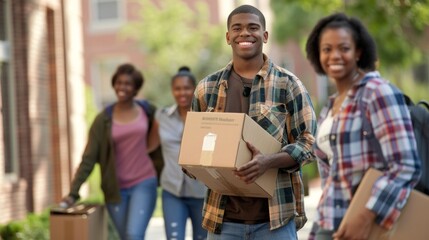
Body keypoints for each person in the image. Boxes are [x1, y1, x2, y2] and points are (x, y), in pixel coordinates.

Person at [191, 5, 317, 240]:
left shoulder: (288, 85)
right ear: (228, 37)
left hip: (275, 220)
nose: (244, 33)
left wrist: (268, 161)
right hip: (223, 220)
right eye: (237, 28)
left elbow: (309, 143)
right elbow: (194, 144)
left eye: (253, 28)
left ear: (265, 36)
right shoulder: (206, 88)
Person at [305, 13, 421, 240]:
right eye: (327, 49)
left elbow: (406, 165)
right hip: (330, 223)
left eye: (344, 48)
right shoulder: (329, 107)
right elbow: (331, 177)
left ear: (358, 52)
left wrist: (365, 217)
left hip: (369, 226)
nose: (334, 56)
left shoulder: (377, 93)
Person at [60, 63, 159, 240]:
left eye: (128, 83)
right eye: (119, 83)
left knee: (134, 235)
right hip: (115, 189)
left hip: (144, 182)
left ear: (135, 88)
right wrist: (73, 193)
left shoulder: (148, 111)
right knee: (126, 237)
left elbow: (168, 131)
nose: (122, 87)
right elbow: (88, 158)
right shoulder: (103, 119)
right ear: (114, 85)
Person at [155, 66, 207, 240]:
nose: (182, 92)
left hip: (201, 191)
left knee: (202, 238)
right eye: (177, 88)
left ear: (194, 89)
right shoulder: (161, 117)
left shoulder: (206, 118)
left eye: (186, 88)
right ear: (172, 90)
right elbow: (147, 147)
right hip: (172, 190)